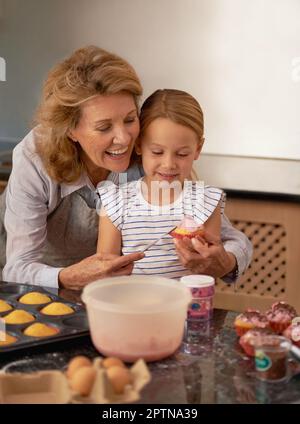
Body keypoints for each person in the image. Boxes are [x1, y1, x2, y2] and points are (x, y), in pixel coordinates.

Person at [1, 46, 252, 290]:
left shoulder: (153, 156)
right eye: (104, 127)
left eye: (130, 119)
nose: (125, 139)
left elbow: (232, 239)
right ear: (70, 130)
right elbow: (17, 268)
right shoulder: (35, 156)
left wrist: (224, 261)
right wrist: (68, 277)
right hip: (35, 290)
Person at [97, 89, 247, 279]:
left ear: (198, 149)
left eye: (182, 154)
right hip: (131, 305)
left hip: (188, 306)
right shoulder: (115, 201)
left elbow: (207, 271)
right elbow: (105, 274)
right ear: (138, 145)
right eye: (157, 152)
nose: (168, 164)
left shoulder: (206, 201)